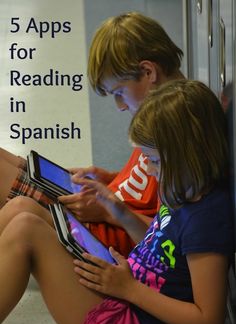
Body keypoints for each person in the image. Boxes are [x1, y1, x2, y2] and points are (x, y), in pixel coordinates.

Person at [0, 80, 233, 324]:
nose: (149, 170)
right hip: (129, 295)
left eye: (154, 161)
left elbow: (208, 323)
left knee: (25, 230)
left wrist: (130, 289)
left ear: (188, 155)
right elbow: (161, 245)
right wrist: (118, 211)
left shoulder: (206, 220)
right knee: (23, 212)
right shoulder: (182, 191)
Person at [0, 12, 184, 257]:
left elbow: (168, 234)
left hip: (104, 231)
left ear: (148, 72)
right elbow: (148, 182)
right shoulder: (159, 114)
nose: (119, 106)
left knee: (17, 205)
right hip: (101, 204)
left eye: (119, 92)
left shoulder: (176, 133)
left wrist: (107, 211)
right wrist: (108, 177)